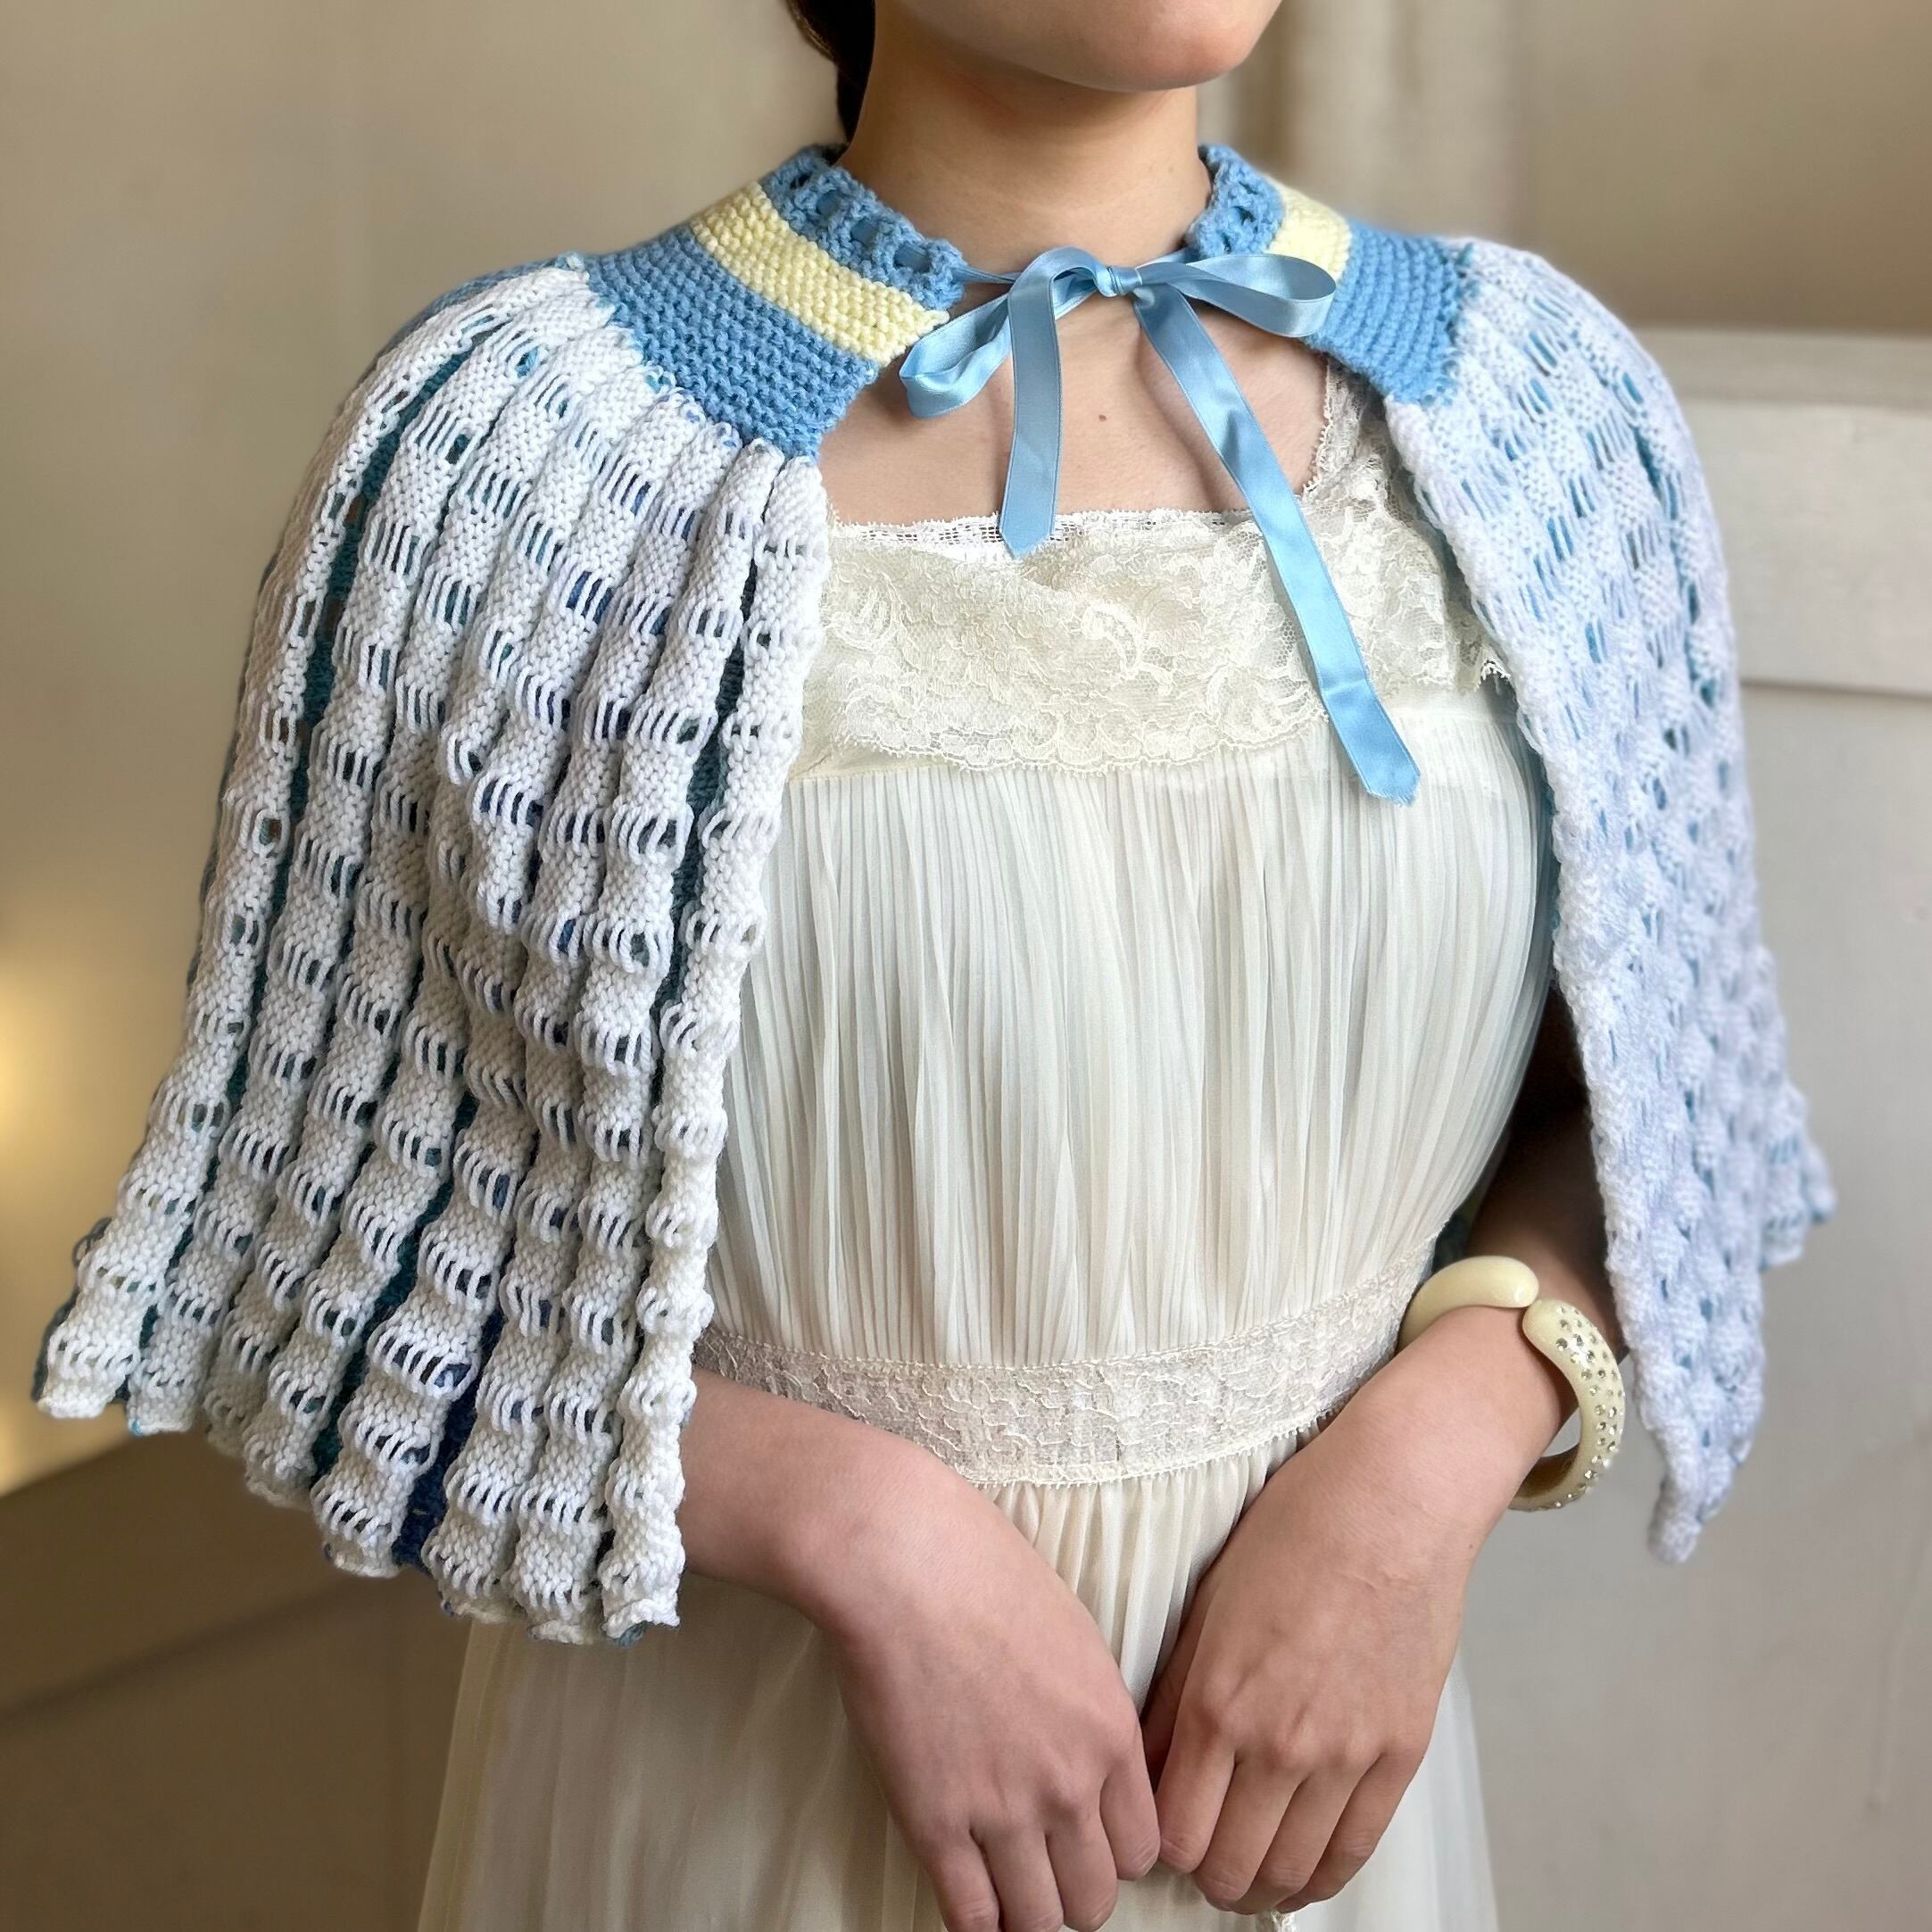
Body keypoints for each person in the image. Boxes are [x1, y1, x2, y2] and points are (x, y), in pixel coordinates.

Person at [30, 1, 1832, 1928]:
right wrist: (858, 1528)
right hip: (733, 1797)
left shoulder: (1533, 402)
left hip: (1310, 1835)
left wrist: (1431, 1459)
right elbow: (319, 1277)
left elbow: (1653, 1125)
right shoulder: (523, 454)